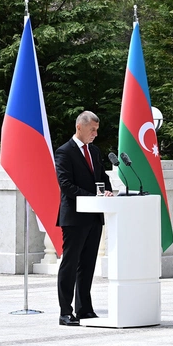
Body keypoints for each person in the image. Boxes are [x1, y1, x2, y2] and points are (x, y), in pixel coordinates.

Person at [54, 111, 112, 326]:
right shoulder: (64, 152)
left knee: (87, 265)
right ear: (80, 127)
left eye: (97, 130)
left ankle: (84, 309)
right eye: (92, 130)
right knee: (70, 264)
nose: (95, 134)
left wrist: (107, 192)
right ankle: (65, 312)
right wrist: (92, 197)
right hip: (75, 217)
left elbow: (102, 177)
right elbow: (66, 185)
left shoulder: (94, 151)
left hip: (94, 217)